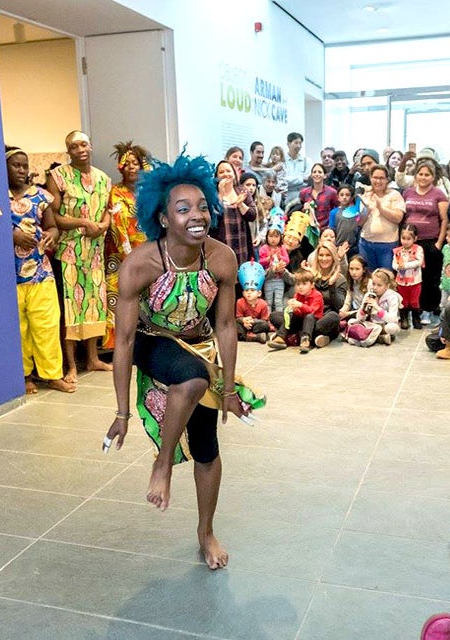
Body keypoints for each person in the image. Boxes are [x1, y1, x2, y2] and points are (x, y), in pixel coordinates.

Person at [105, 152, 259, 571]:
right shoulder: (140, 263)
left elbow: (226, 325)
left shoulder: (222, 257)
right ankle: (162, 465)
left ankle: (205, 532)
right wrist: (121, 412)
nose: (197, 215)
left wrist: (227, 390)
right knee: (190, 379)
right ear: (162, 218)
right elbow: (123, 341)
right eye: (183, 208)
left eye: (203, 206)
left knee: (208, 448)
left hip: (200, 346)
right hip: (152, 342)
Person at [6, 147, 75, 395]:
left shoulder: (41, 196)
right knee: (19, 327)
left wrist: (51, 235)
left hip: (40, 272)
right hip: (9, 274)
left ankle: (52, 374)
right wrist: (12, 235)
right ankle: (24, 376)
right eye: (16, 165)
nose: (22, 170)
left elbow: (53, 227)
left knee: (46, 324)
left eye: (25, 165)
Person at [46, 130, 113, 377]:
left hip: (94, 254)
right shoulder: (58, 176)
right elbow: (53, 216)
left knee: (95, 303)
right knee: (71, 306)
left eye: (84, 144)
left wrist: (103, 226)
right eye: (74, 146)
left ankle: (93, 359)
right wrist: (83, 224)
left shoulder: (104, 178)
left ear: (91, 146)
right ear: (68, 151)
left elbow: (107, 210)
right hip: (69, 253)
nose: (80, 149)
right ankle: (72, 366)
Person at [104, 141, 149, 350]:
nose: (132, 167)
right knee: (121, 299)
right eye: (127, 163)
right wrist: (127, 253)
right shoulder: (115, 192)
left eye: (135, 163)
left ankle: (147, 343)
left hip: (148, 255)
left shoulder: (150, 192)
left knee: (148, 299)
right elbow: (115, 224)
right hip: (120, 256)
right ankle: (121, 346)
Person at [402, 158, 448, 324]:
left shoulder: (439, 194)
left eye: (427, 175)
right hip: (410, 243)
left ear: (433, 177)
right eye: (420, 174)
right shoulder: (407, 193)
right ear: (415, 176)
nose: (423, 177)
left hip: (431, 241)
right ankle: (414, 310)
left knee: (430, 278)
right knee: (412, 278)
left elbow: (444, 219)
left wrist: (439, 244)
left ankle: (428, 310)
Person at [358, 165, 405, 271]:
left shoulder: (394, 194)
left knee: (386, 277)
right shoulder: (366, 195)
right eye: (375, 177)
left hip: (387, 245)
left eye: (381, 178)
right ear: (370, 178)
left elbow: (398, 218)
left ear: (387, 180)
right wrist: (367, 210)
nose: (378, 181)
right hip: (366, 244)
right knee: (368, 278)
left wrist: (380, 207)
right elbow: (359, 223)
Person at [209, 160, 256, 266]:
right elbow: (211, 220)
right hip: (221, 244)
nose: (226, 174)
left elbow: (253, 215)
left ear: (234, 174)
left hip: (241, 243)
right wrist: (220, 194)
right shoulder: (212, 194)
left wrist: (241, 204)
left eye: (228, 171)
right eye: (221, 172)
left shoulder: (242, 191)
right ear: (216, 176)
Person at [267, 269, 325, 354]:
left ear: (312, 285)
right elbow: (297, 314)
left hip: (312, 322)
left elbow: (312, 311)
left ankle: (305, 339)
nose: (300, 287)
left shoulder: (317, 295)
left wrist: (300, 305)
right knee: (275, 315)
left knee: (309, 316)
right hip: (299, 322)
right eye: (298, 284)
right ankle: (281, 337)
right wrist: (294, 309)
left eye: (304, 284)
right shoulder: (297, 295)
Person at [344, 268, 400, 347]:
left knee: (393, 328)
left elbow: (393, 318)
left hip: (384, 325)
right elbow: (359, 318)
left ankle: (365, 336)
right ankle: (380, 338)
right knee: (351, 321)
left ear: (387, 286)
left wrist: (377, 308)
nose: (375, 287)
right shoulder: (369, 295)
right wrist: (363, 310)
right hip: (371, 324)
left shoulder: (392, 297)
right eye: (373, 284)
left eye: (379, 285)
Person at [393, 224, 424, 330]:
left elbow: (418, 262)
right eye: (403, 238)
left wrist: (404, 266)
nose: (405, 241)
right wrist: (398, 267)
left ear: (415, 238)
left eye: (408, 239)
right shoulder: (398, 251)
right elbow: (394, 264)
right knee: (403, 301)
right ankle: (404, 319)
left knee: (414, 301)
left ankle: (416, 319)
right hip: (401, 282)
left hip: (415, 281)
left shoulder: (418, 249)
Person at [235, 262, 271, 343]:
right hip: (244, 325)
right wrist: (244, 320)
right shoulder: (240, 302)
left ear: (259, 293)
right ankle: (255, 337)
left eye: (252, 290)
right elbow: (238, 317)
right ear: (243, 293)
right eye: (246, 290)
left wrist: (253, 321)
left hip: (256, 325)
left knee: (265, 325)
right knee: (235, 324)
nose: (249, 293)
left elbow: (264, 320)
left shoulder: (263, 304)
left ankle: (248, 336)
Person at [259, 220, 289, 314]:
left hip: (279, 280)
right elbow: (260, 262)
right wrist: (269, 258)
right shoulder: (263, 248)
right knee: (268, 301)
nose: (273, 239)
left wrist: (280, 257)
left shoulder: (282, 248)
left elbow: (287, 260)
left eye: (276, 236)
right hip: (268, 279)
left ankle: (279, 318)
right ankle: (268, 319)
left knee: (278, 301)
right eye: (271, 236)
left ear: (280, 237)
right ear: (266, 237)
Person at [298, 163, 338, 230]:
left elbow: (338, 209)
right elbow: (300, 209)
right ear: (311, 175)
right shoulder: (304, 192)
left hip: (325, 229)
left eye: (320, 172)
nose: (317, 174)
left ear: (324, 175)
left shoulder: (332, 192)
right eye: (314, 172)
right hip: (308, 229)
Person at [330, 184, 362, 260]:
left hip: (353, 247)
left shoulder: (356, 212)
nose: (344, 197)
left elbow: (359, 228)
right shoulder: (334, 212)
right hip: (338, 247)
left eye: (347, 195)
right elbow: (332, 229)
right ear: (338, 197)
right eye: (342, 195)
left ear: (351, 197)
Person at [340, 254, 370, 324]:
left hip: (366, 314)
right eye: (351, 269)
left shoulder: (370, 284)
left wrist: (349, 313)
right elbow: (348, 300)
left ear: (364, 270)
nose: (354, 272)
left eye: (357, 269)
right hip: (355, 312)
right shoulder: (351, 282)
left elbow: (368, 309)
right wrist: (343, 311)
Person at [283, 132, 311, 204]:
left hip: (302, 196)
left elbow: (308, 180)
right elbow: (283, 181)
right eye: (296, 143)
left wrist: (291, 181)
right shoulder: (281, 161)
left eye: (300, 143)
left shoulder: (306, 160)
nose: (298, 146)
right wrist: (301, 179)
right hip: (285, 196)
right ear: (288, 144)